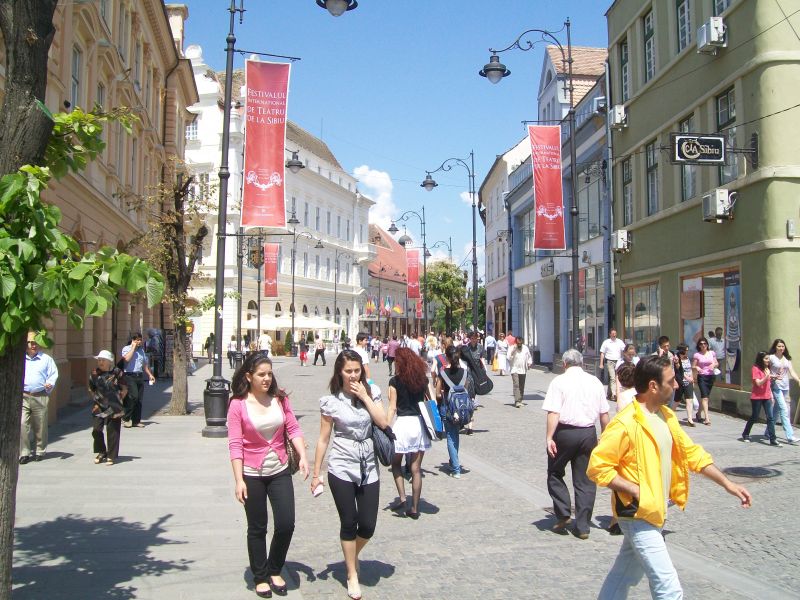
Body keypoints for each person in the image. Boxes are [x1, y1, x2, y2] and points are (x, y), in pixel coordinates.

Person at [588, 355, 752, 599]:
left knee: (623, 576)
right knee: (668, 587)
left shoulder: (666, 416)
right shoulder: (624, 424)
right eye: (671, 380)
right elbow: (597, 467)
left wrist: (727, 483)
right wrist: (635, 490)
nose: (677, 385)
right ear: (653, 386)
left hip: (655, 511)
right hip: (637, 514)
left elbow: (691, 454)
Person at [227, 354, 309, 598]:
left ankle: (275, 567)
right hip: (251, 473)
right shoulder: (237, 404)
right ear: (249, 376)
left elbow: (293, 428)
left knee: (286, 523)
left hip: (279, 469)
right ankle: (260, 575)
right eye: (261, 374)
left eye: (269, 373)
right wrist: (238, 479)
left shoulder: (279, 398)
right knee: (258, 527)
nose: (266, 378)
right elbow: (234, 444)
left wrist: (303, 455)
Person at [311, 350, 390, 600]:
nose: (354, 375)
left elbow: (383, 423)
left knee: (367, 526)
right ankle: (351, 574)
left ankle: (351, 554)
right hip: (342, 465)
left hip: (368, 464)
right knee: (349, 522)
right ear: (339, 373)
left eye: (357, 370)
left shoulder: (372, 392)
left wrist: (365, 396)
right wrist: (316, 473)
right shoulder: (331, 401)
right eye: (348, 371)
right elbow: (324, 439)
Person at [542, 349, 610, 539]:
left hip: (565, 432)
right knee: (586, 480)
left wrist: (549, 438)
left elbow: (553, 412)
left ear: (564, 364)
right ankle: (583, 526)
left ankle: (563, 512)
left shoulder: (559, 381)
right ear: (581, 363)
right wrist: (605, 437)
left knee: (555, 472)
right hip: (588, 433)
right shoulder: (595, 381)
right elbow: (604, 414)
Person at [386, 347, 431, 517]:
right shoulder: (422, 380)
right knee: (416, 468)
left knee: (396, 463)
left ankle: (404, 498)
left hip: (402, 425)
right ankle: (415, 508)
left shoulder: (395, 382)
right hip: (419, 424)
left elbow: (392, 407)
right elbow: (430, 401)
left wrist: (385, 425)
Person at [19, 332, 59, 464]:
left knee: (40, 425)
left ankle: (40, 450)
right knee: (22, 424)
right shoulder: (20, 358)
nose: (33, 345)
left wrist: (50, 384)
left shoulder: (46, 359)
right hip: (24, 396)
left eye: (35, 342)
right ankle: (24, 452)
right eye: (30, 342)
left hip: (40, 395)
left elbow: (53, 374)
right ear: (26, 344)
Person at [435, 344, 470, 479]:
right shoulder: (464, 373)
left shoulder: (443, 373)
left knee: (450, 436)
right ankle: (453, 461)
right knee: (456, 435)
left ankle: (455, 469)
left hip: (447, 408)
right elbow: (465, 390)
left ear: (447, 358)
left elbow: (438, 394)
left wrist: (444, 392)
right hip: (461, 410)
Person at [88, 350, 126, 466]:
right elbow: (91, 388)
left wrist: (119, 399)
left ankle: (111, 455)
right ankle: (101, 451)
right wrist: (96, 398)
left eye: (102, 360)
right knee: (96, 429)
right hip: (98, 406)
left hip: (114, 405)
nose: (100, 362)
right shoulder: (94, 373)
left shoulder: (117, 372)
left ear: (109, 361)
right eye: (99, 360)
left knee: (113, 430)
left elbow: (124, 388)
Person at [740, 351, 779, 446]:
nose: (768, 360)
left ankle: (773, 439)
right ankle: (745, 434)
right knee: (755, 416)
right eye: (766, 359)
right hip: (757, 397)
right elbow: (758, 383)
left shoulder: (767, 368)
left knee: (770, 417)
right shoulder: (755, 368)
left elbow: (768, 383)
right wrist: (767, 376)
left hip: (767, 397)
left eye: (768, 359)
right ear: (761, 359)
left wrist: (773, 377)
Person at [766, 338, 799, 445]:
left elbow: (792, 372)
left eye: (782, 346)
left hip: (785, 386)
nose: (781, 348)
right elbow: (765, 369)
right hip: (776, 386)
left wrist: (798, 380)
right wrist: (770, 376)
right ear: (775, 347)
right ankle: (790, 436)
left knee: (776, 410)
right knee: (784, 409)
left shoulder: (786, 359)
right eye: (779, 346)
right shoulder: (771, 358)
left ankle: (768, 432)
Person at [120, 332, 156, 428]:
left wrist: (149, 375)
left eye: (140, 340)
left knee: (139, 399)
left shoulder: (141, 351)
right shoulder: (126, 349)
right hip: (129, 375)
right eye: (137, 340)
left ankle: (136, 420)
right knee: (133, 396)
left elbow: (144, 364)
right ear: (133, 340)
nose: (139, 342)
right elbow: (126, 359)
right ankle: (126, 418)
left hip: (139, 376)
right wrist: (133, 348)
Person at [692, 337, 718, 426]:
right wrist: (697, 367)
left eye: (705, 344)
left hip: (711, 376)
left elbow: (716, 363)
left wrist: (714, 365)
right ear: (699, 346)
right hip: (702, 377)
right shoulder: (697, 355)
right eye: (701, 344)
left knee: (704, 397)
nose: (703, 345)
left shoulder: (712, 353)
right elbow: (693, 366)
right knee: (705, 398)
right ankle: (707, 418)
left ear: (707, 344)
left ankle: (698, 414)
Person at [673, 344, 696, 426]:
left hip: (689, 383)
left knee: (689, 400)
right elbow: (679, 371)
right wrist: (687, 378)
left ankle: (690, 419)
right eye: (686, 350)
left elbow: (689, 370)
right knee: (677, 400)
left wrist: (692, 380)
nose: (687, 351)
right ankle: (670, 414)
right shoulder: (677, 359)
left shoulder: (687, 358)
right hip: (680, 382)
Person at [599, 329, 626, 401]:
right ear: (610, 334)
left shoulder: (620, 342)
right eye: (613, 333)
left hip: (618, 361)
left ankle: (609, 394)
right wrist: (601, 363)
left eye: (615, 333)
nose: (614, 335)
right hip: (610, 361)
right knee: (613, 378)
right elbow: (602, 353)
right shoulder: (606, 342)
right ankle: (614, 395)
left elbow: (624, 350)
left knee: (615, 378)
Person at [508, 336, 533, 408]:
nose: (519, 345)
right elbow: (508, 358)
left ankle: (520, 399)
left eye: (520, 343)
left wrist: (529, 363)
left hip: (523, 369)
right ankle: (517, 401)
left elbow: (529, 357)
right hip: (514, 369)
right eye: (518, 343)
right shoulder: (512, 348)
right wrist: (513, 351)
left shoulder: (525, 348)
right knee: (516, 384)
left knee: (521, 386)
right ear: (516, 342)